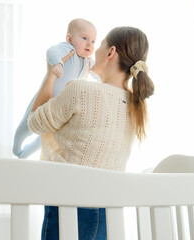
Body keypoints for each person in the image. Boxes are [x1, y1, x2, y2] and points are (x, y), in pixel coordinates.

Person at [28, 26, 154, 240]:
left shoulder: (80, 90)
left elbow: (35, 122)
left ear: (111, 52)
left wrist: (51, 74)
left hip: (69, 206)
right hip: (108, 212)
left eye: (99, 44)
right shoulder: (135, 105)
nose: (93, 50)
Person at [12, 18, 97, 159]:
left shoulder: (87, 61)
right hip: (44, 98)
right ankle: (16, 145)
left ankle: (24, 155)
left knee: (47, 136)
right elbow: (51, 51)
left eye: (93, 41)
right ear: (69, 38)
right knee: (27, 126)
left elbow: (98, 73)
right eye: (84, 38)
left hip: (59, 108)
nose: (89, 44)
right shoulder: (68, 49)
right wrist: (57, 63)